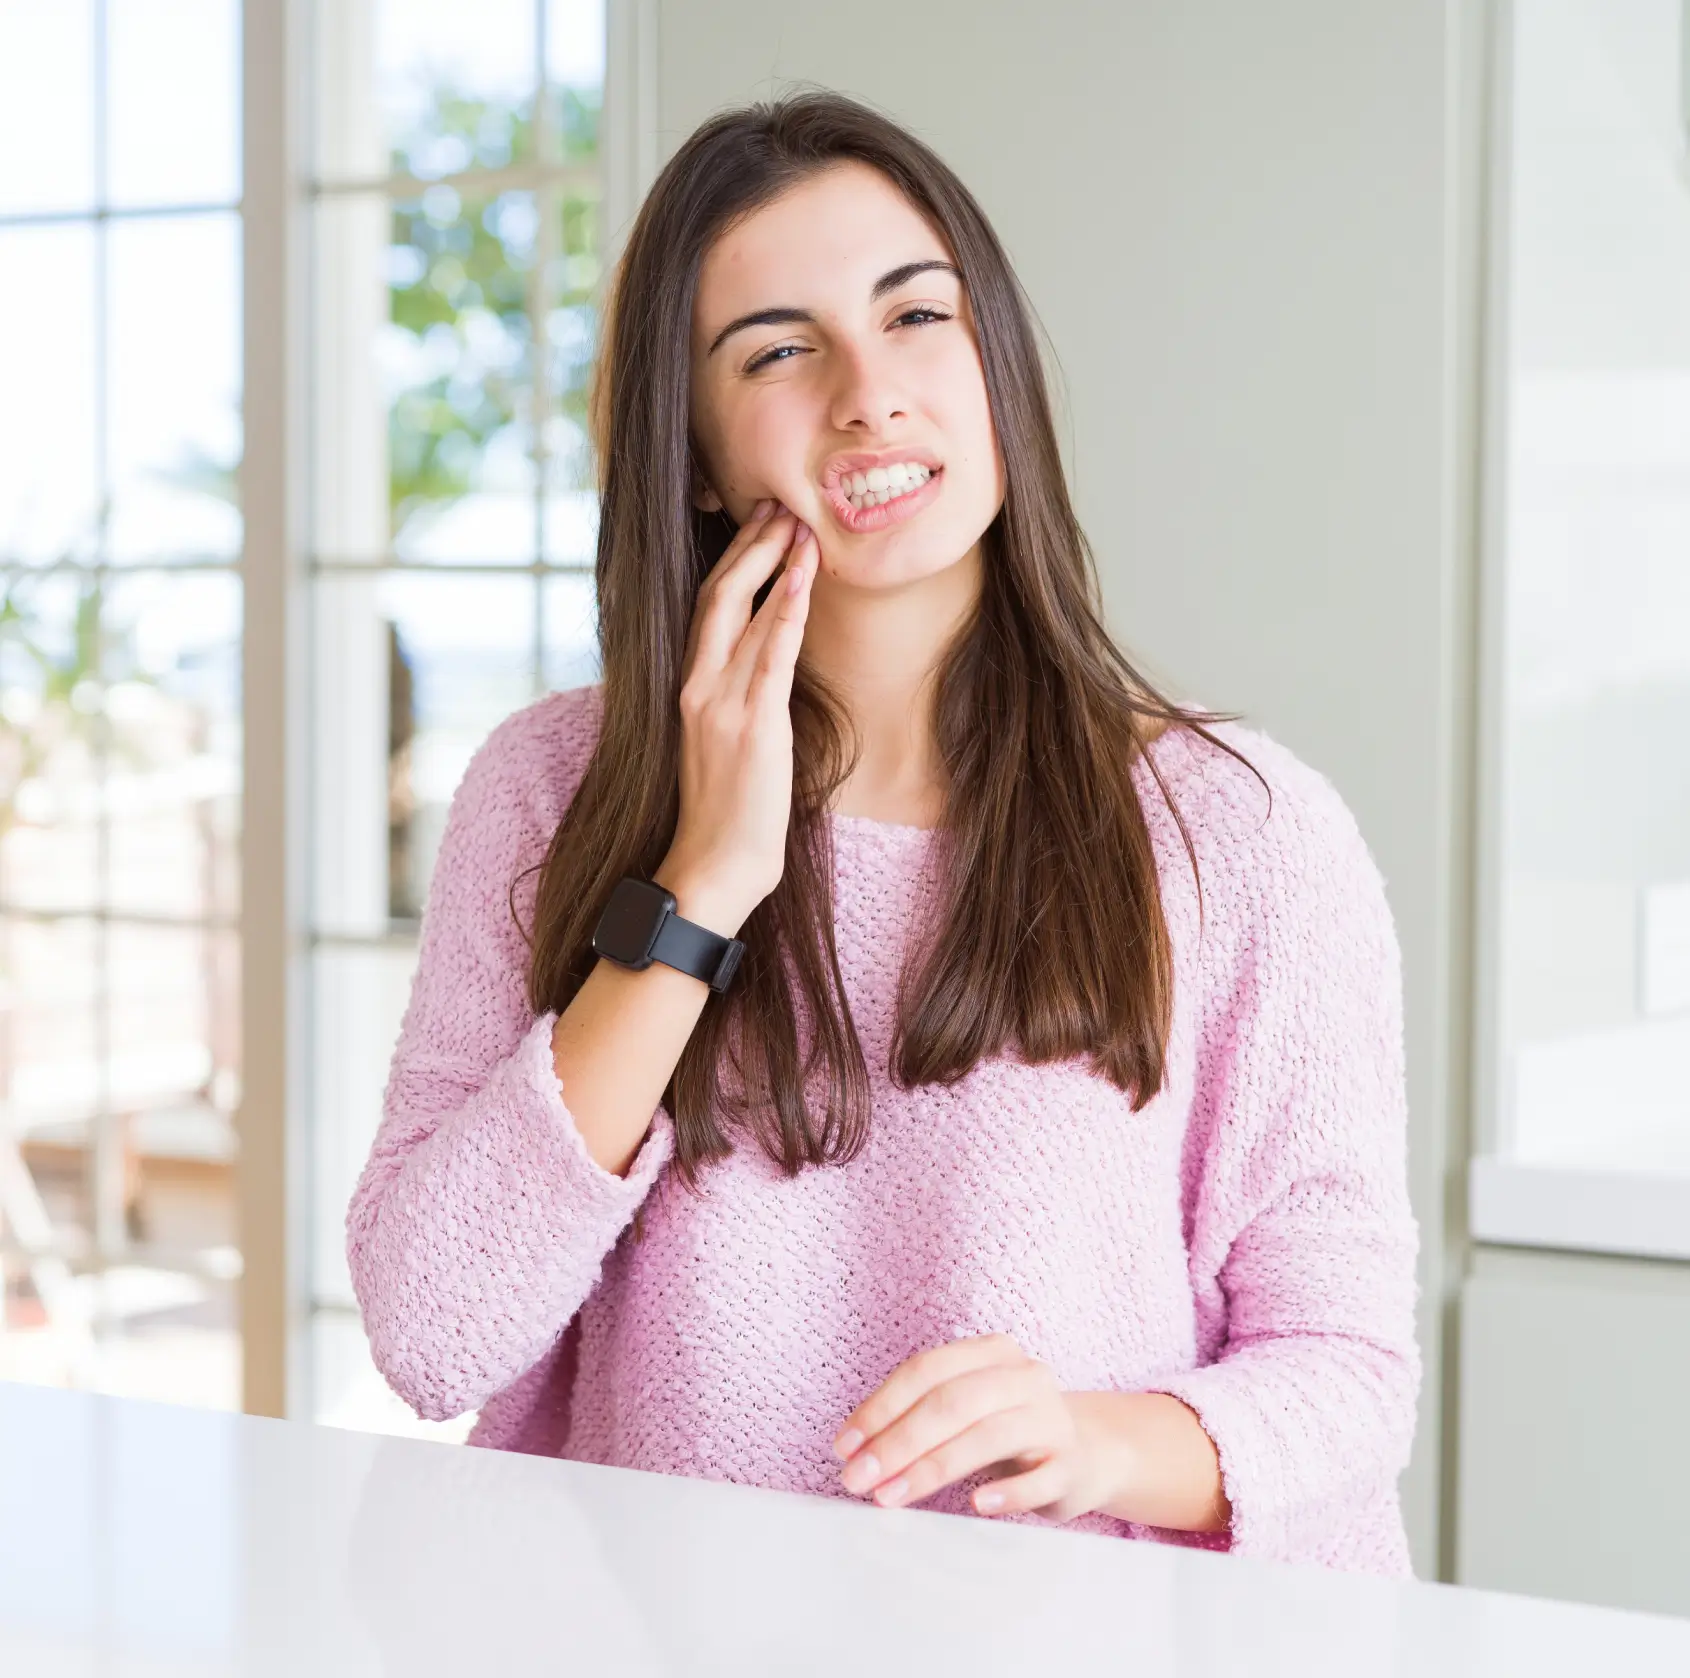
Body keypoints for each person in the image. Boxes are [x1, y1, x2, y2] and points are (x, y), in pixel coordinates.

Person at [346, 88, 1421, 1579]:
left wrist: (1098, 1436)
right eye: (779, 350)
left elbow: (1347, 1371)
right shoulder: (549, 790)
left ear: (996, 367)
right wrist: (701, 880)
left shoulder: (1238, 830)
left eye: (917, 316)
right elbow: (427, 1323)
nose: (869, 391)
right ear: (702, 460)